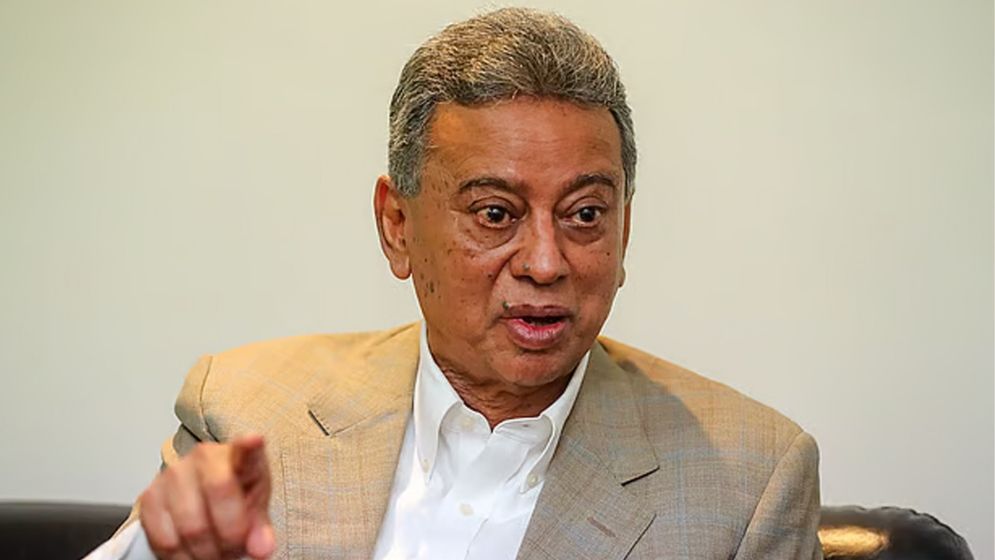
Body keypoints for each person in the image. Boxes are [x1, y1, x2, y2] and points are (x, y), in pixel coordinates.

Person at [86, 7, 822, 560]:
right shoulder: (247, 410)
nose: (545, 262)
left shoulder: (748, 480)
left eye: (584, 214)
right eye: (495, 214)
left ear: (623, 231)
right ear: (397, 226)